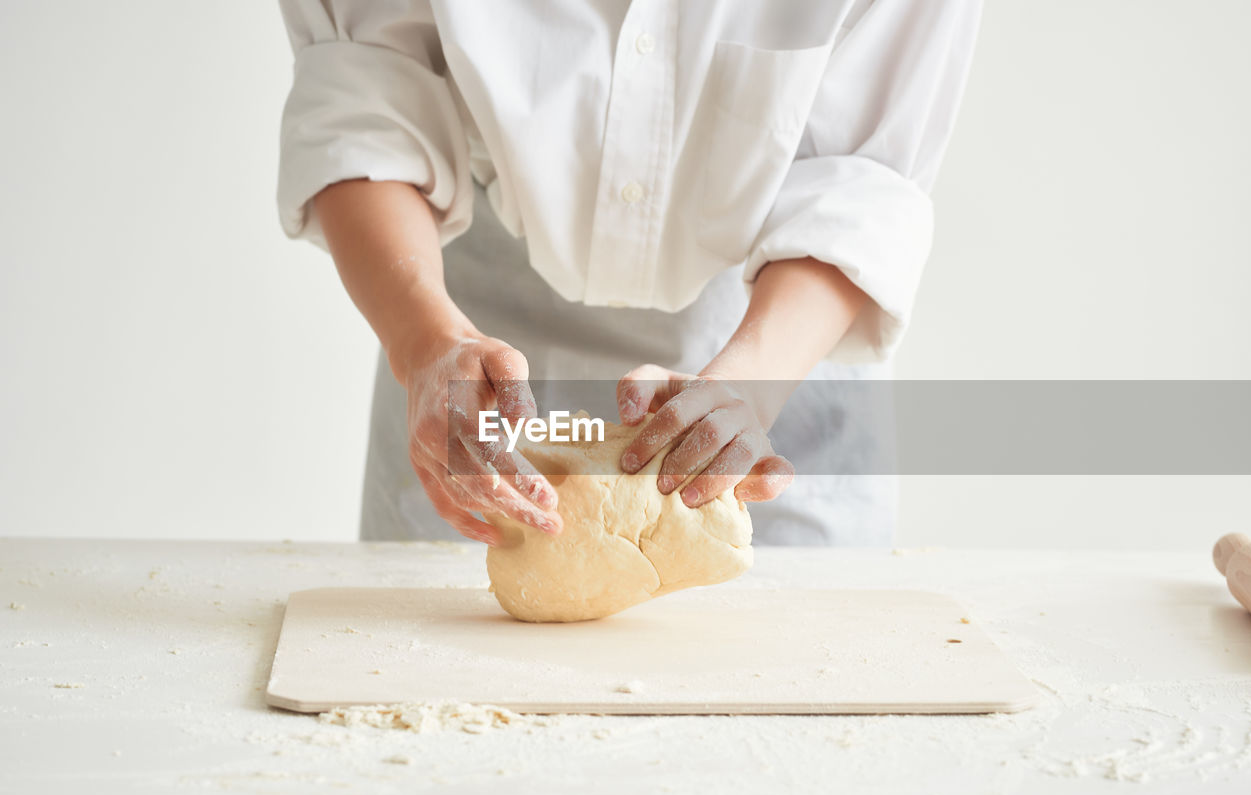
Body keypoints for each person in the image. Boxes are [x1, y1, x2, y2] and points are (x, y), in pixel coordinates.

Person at [277, 1, 981, 546]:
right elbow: (365, 96)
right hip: (471, 341)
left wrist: (752, 383)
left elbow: (863, 176)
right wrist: (424, 339)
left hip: (784, 345)